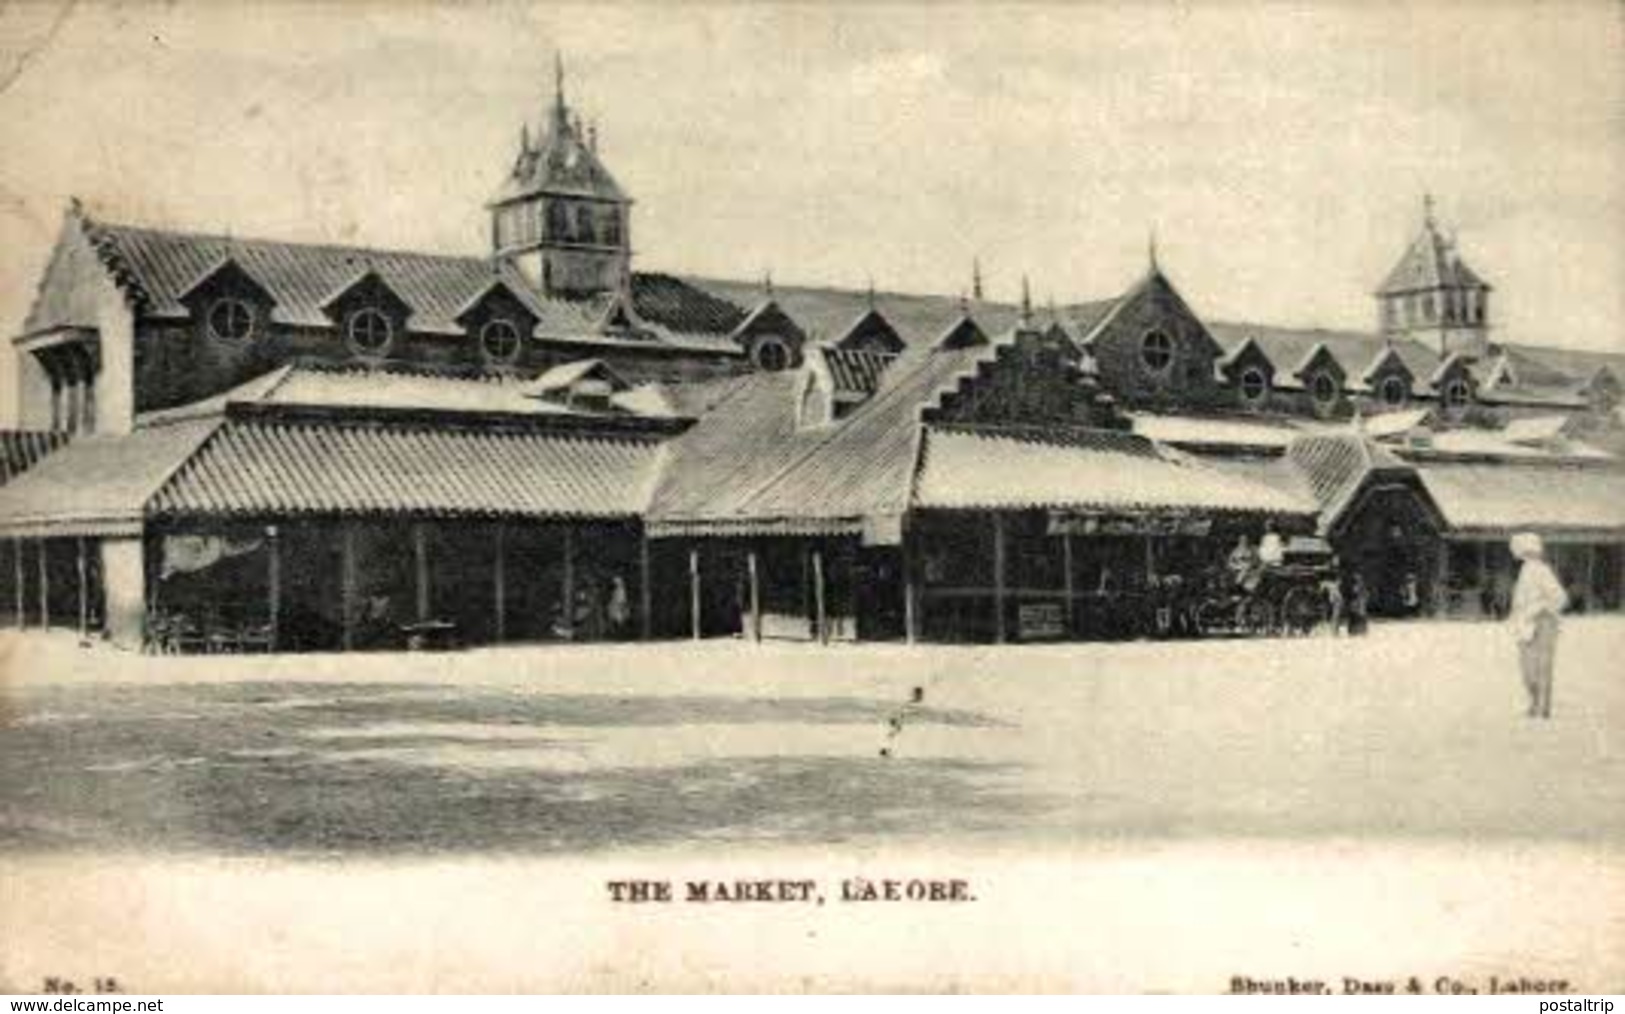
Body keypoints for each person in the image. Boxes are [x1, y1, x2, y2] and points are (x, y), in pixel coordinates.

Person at [1509, 532, 1568, 719]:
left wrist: (1540, 609)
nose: (1513, 551)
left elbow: (1559, 597)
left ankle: (1542, 708)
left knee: (1541, 667)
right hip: (1526, 625)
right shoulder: (1526, 570)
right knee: (1528, 668)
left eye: (1516, 547)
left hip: (1543, 624)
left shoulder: (1540, 570)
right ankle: (1536, 704)